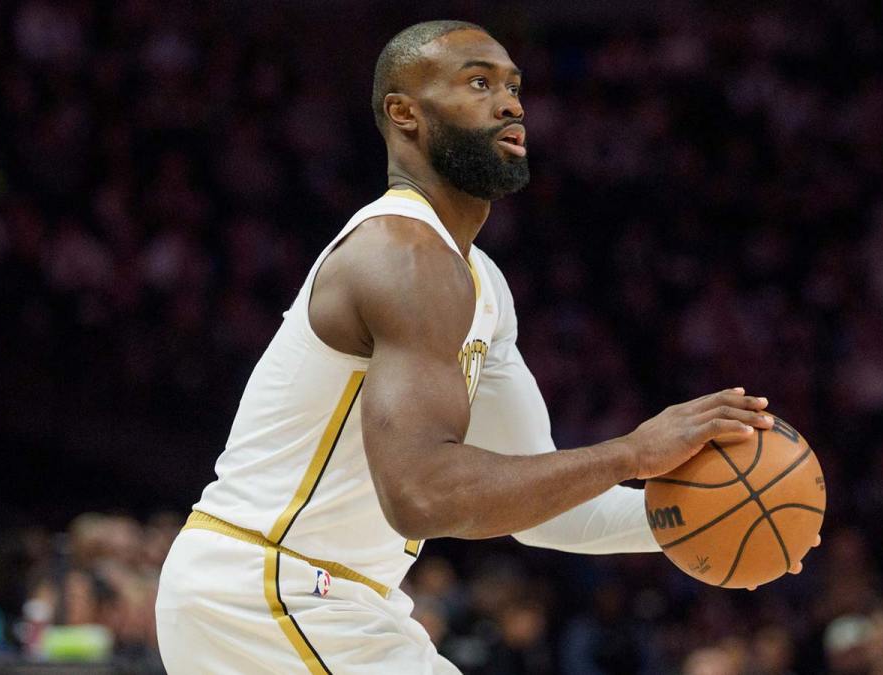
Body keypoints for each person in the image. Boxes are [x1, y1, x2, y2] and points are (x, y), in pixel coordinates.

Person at [155, 20, 790, 674]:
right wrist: (633, 451)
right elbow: (422, 496)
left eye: (513, 86)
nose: (511, 102)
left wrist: (721, 511)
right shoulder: (400, 256)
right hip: (266, 591)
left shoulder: (480, 283)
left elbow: (544, 515)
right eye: (479, 83)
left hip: (328, 597)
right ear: (405, 114)